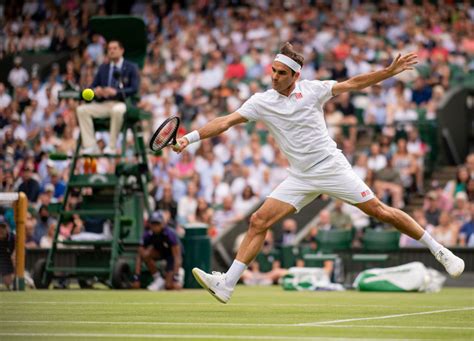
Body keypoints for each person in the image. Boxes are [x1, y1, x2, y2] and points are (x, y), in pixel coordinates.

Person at [173, 42, 464, 304]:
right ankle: (227, 284)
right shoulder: (261, 101)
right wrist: (190, 138)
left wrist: (388, 72)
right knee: (258, 220)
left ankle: (440, 251)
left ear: (295, 76)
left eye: (281, 73)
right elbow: (225, 121)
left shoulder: (313, 90)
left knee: (380, 211)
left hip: (330, 167)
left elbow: (354, 83)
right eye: (273, 71)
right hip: (299, 176)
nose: (274, 77)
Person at [76, 40, 139, 154]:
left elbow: (134, 89)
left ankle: (112, 146)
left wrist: (116, 92)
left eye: (115, 48)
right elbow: (92, 87)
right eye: (109, 49)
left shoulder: (131, 67)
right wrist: (96, 91)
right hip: (104, 104)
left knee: (117, 110)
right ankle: (90, 146)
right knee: (82, 110)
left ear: (122, 50)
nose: (112, 51)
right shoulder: (103, 68)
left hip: (122, 103)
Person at [134, 212, 183, 291]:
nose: (155, 226)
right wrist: (136, 278)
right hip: (160, 252)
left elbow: (177, 257)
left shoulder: (170, 234)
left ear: (162, 224)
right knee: (145, 254)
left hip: (172, 256)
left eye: (157, 223)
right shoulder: (147, 234)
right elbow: (139, 254)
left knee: (169, 286)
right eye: (153, 224)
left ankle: (179, 273)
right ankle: (158, 279)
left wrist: (175, 278)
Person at [0, 217, 15, 290]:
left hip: (8, 261)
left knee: (9, 282)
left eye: (3, 227)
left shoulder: (12, 237)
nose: (1, 230)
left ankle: (26, 280)